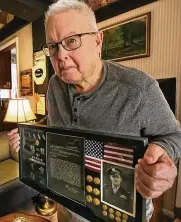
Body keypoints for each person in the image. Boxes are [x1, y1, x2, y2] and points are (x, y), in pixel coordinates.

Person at [8, 0, 181, 221]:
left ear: (98, 41)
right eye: (53, 46)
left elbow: (173, 135)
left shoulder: (140, 89)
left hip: (119, 212)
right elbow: (54, 121)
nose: (60, 56)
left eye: (71, 41)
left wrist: (164, 157)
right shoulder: (54, 85)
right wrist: (30, 134)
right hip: (67, 204)